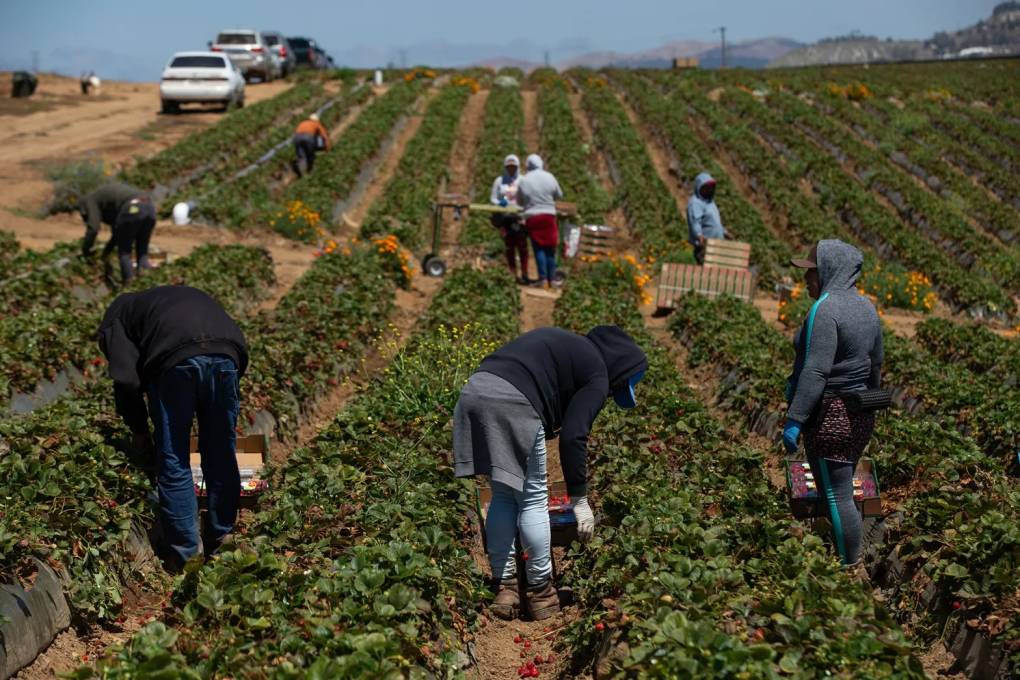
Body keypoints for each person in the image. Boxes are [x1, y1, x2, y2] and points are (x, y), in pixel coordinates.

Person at [454, 326, 648, 620]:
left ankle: (504, 588)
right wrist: (579, 500)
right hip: (515, 401)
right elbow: (573, 437)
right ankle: (541, 592)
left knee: (504, 493)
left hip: (477, 390)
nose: (608, 394)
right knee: (532, 499)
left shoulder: (568, 346)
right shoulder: (597, 373)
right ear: (619, 371)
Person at [98, 286, 249, 571]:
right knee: (220, 451)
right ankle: (222, 537)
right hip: (227, 354)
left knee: (174, 456)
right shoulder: (164, 300)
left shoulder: (115, 319)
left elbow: (126, 381)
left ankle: (186, 555)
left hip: (176, 360)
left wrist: (139, 429)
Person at [783, 240, 883, 570]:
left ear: (828, 270)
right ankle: (840, 555)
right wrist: (866, 404)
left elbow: (816, 371)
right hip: (859, 413)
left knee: (838, 495)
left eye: (811, 272)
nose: (807, 280)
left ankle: (847, 568)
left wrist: (796, 418)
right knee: (838, 487)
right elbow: (876, 364)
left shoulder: (826, 309)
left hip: (831, 414)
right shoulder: (868, 308)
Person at [79, 182, 156, 284]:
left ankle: (130, 286)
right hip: (149, 207)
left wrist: (85, 251)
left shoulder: (90, 201)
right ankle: (147, 283)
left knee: (124, 253)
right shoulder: (108, 202)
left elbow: (93, 228)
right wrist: (107, 252)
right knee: (142, 251)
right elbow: (118, 233)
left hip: (133, 207)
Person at [516, 154, 563, 289]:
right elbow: (559, 195)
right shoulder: (550, 177)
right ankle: (552, 279)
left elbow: (520, 201)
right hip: (549, 216)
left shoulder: (525, 180)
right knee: (550, 248)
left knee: (539, 248)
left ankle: (542, 279)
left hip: (533, 217)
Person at [490, 154, 529, 284]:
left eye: (514, 167)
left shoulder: (523, 181)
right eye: (509, 167)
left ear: (518, 167)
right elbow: (493, 198)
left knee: (522, 246)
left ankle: (524, 273)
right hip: (505, 217)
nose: (511, 169)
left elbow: (528, 197)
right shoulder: (500, 181)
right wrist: (501, 203)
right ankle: (512, 273)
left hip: (519, 217)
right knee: (509, 246)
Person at [686, 172, 726, 265]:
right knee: (708, 272)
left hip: (717, 244)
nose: (710, 189)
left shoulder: (710, 203)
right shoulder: (695, 203)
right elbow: (695, 222)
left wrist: (724, 232)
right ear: (700, 187)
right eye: (707, 187)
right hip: (705, 246)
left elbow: (715, 222)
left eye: (712, 187)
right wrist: (699, 235)